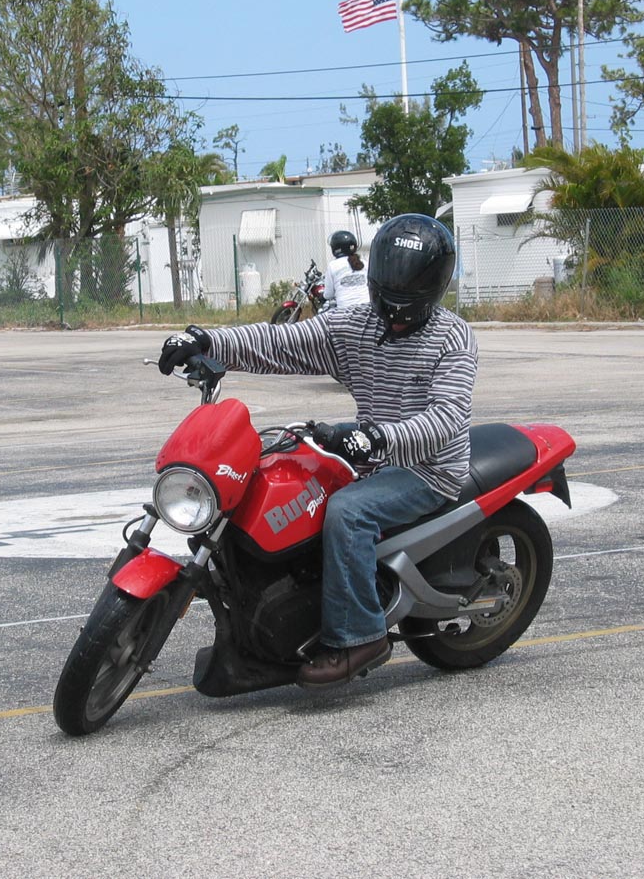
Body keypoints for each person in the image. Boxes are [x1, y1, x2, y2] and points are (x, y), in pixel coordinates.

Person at [158, 213, 477, 688]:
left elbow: (445, 419)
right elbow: (280, 342)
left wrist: (377, 439)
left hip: (427, 467)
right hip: (373, 449)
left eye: (404, 306)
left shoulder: (453, 337)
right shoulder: (357, 326)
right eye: (386, 300)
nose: (392, 316)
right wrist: (206, 340)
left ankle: (360, 636)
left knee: (348, 512)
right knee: (278, 469)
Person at [321, 229, 370, 310]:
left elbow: (328, 295)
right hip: (367, 309)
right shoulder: (364, 263)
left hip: (345, 311)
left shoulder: (333, 265)